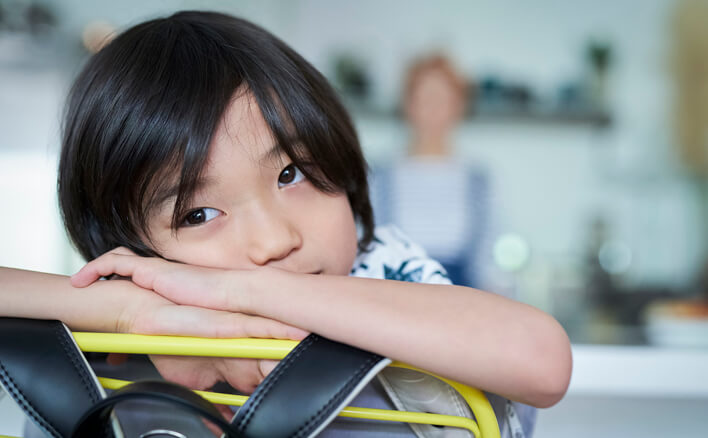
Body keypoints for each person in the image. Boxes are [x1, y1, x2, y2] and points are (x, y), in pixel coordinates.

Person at [0, 11, 571, 437]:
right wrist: (127, 309)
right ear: (131, 251)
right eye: (199, 214)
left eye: (291, 173)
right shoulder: (113, 350)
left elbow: (543, 362)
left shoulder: (384, 271)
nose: (275, 241)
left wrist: (241, 290)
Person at [370, 54, 500, 291]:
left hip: (463, 298)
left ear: (459, 106)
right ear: (408, 105)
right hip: (395, 298)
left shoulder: (478, 180)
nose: (433, 110)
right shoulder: (381, 175)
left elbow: (487, 260)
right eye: (424, 99)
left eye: (442, 100)